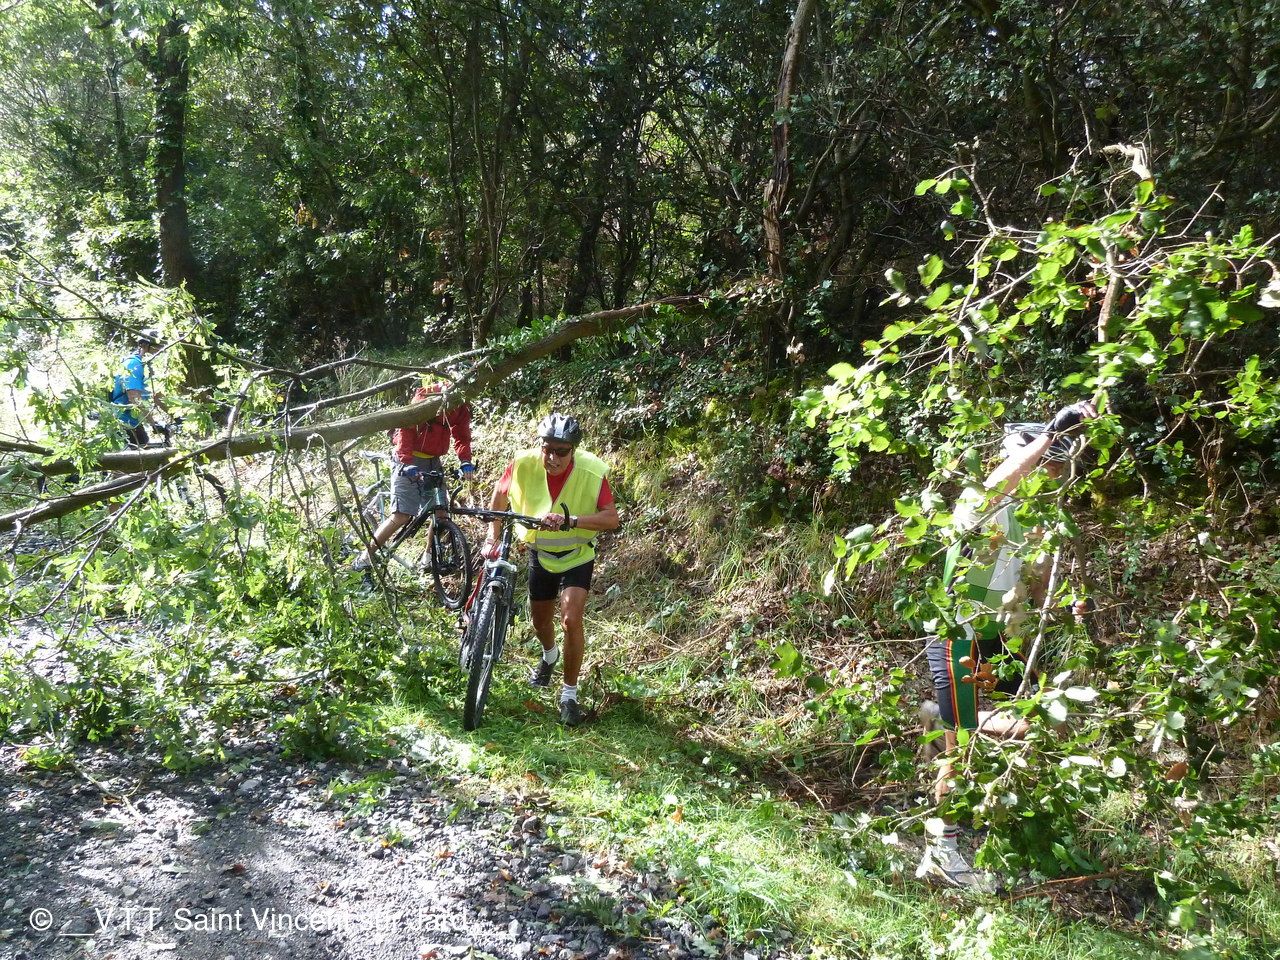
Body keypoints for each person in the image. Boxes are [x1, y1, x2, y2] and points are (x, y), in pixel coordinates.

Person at [916, 400, 1098, 890]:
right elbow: (999, 483)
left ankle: (943, 720)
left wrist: (1068, 608)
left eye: (1058, 468)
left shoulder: (1036, 522)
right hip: (959, 633)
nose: (1054, 475)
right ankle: (942, 850)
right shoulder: (979, 502)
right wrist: (1049, 435)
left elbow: (1038, 585)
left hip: (1000, 637)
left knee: (1042, 723)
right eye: (1049, 465)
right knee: (961, 744)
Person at [486, 414, 619, 727]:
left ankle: (569, 696)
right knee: (540, 622)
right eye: (547, 449)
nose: (553, 458)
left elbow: (611, 519)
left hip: (577, 556)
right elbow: (500, 495)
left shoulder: (591, 470)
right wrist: (492, 536)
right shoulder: (523, 463)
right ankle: (549, 656)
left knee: (571, 620)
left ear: (573, 451)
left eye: (562, 451)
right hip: (541, 553)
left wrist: (572, 521)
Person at [352, 380, 475, 580]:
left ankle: (427, 559)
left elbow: (462, 435)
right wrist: (406, 462)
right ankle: (364, 559)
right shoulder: (428, 396)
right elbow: (406, 429)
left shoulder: (461, 404)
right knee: (402, 515)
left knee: (440, 513)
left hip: (433, 460)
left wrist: (465, 461)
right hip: (408, 458)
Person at [111, 328, 166, 448]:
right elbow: (134, 398)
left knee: (144, 443)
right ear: (145, 346)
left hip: (133, 420)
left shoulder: (147, 366)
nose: (161, 351)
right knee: (139, 448)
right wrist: (154, 424)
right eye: (158, 347)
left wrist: (176, 417)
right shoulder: (134, 364)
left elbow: (156, 396)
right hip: (122, 419)